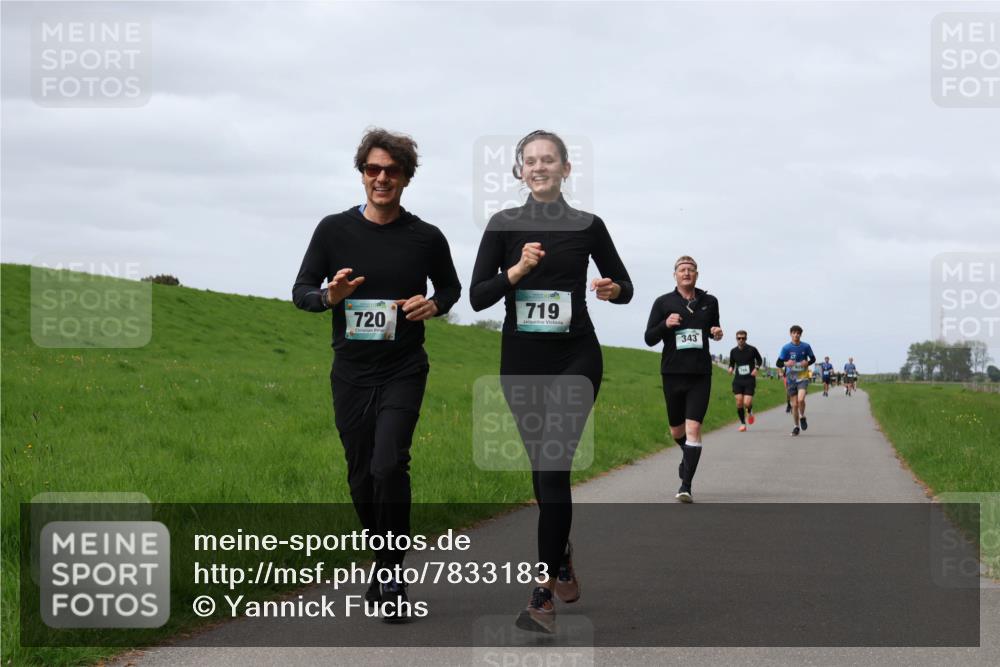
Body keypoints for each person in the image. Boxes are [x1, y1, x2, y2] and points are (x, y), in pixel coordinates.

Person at [293, 128, 461, 622]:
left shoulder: (426, 237)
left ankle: (390, 573)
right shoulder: (333, 230)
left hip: (404, 369)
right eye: (373, 169)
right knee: (361, 475)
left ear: (407, 176)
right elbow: (301, 291)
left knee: (389, 464)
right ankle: (382, 556)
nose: (381, 178)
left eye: (391, 170)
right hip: (350, 373)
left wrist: (433, 304)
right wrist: (330, 296)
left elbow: (450, 289)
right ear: (362, 174)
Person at [470, 130, 633, 634]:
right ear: (519, 171)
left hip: (576, 357)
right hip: (521, 360)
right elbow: (477, 297)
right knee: (544, 475)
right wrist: (517, 270)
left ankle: (541, 594)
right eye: (531, 161)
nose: (540, 167)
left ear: (566, 169)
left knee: (554, 464)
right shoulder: (503, 225)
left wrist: (612, 289)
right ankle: (560, 552)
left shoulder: (588, 225)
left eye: (549, 159)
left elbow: (624, 286)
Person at [645, 256, 723, 502]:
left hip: (700, 374)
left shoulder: (709, 302)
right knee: (676, 430)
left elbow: (715, 328)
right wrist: (665, 325)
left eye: (691, 270)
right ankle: (687, 454)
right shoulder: (663, 302)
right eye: (682, 270)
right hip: (672, 373)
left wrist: (717, 332)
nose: (686, 273)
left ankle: (685, 485)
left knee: (694, 428)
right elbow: (649, 338)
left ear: (697, 275)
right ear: (675, 275)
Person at [776, 325, 817, 436]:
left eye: (798, 333)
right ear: (791, 334)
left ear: (800, 334)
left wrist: (807, 363)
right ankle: (796, 426)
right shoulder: (786, 348)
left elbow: (813, 359)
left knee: (801, 399)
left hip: (803, 376)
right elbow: (778, 363)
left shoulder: (806, 346)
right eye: (794, 333)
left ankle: (802, 416)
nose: (796, 335)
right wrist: (786, 363)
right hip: (791, 378)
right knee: (794, 405)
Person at [728, 330, 763, 431]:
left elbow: (759, 360)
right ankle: (743, 423)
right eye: (739, 338)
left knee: (747, 403)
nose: (741, 340)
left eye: (743, 338)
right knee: (739, 402)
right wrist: (730, 368)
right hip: (738, 380)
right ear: (736, 339)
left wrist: (756, 368)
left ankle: (750, 411)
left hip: (749, 380)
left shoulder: (752, 349)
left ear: (746, 339)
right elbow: (732, 363)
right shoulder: (733, 351)